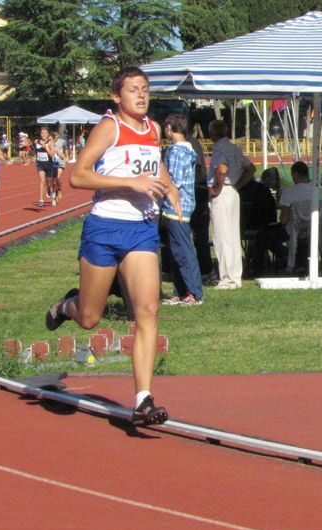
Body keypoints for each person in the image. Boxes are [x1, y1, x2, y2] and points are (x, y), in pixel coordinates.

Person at [45, 66, 181, 426]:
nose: (141, 95)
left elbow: (155, 165)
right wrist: (130, 183)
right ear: (117, 96)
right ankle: (66, 306)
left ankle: (143, 400)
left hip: (141, 230)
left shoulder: (153, 129)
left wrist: (169, 187)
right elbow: (78, 176)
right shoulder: (109, 127)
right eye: (133, 89)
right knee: (90, 318)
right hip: (104, 228)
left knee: (147, 311)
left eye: (145, 89)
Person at [160, 113, 203, 306]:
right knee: (176, 251)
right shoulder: (187, 149)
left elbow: (174, 181)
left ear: (170, 128)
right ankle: (181, 291)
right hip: (182, 206)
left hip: (176, 207)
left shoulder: (176, 152)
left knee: (183, 251)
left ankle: (194, 292)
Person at [207, 119, 255, 289]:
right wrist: (237, 185)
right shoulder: (234, 148)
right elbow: (250, 168)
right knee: (233, 235)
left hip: (223, 192)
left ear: (212, 134)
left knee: (222, 236)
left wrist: (218, 187)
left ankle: (227, 278)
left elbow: (222, 169)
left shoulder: (219, 149)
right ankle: (235, 275)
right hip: (233, 191)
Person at [279, 161, 322, 274]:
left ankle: (288, 263)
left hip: (295, 231)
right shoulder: (318, 191)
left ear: (295, 175)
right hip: (315, 229)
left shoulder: (288, 192)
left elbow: (283, 220)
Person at [186, 126, 213, 282]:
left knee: (200, 235)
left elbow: (198, 167)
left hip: (197, 191)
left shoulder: (191, 143)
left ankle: (205, 269)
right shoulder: (191, 143)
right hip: (196, 190)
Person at [34, 126, 56, 206]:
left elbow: (52, 155)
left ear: (48, 134)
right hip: (40, 164)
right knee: (42, 180)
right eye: (42, 133)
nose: (43, 135)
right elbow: (36, 151)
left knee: (49, 182)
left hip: (49, 165)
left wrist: (45, 146)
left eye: (45, 133)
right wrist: (35, 157)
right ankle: (41, 199)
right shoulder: (37, 141)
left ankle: (51, 194)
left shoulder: (50, 142)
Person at [51, 129, 67, 204]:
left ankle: (56, 195)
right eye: (54, 135)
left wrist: (66, 156)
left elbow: (66, 149)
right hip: (52, 163)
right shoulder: (49, 142)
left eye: (56, 135)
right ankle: (59, 190)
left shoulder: (62, 141)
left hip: (60, 162)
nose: (55, 136)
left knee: (57, 178)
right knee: (53, 180)